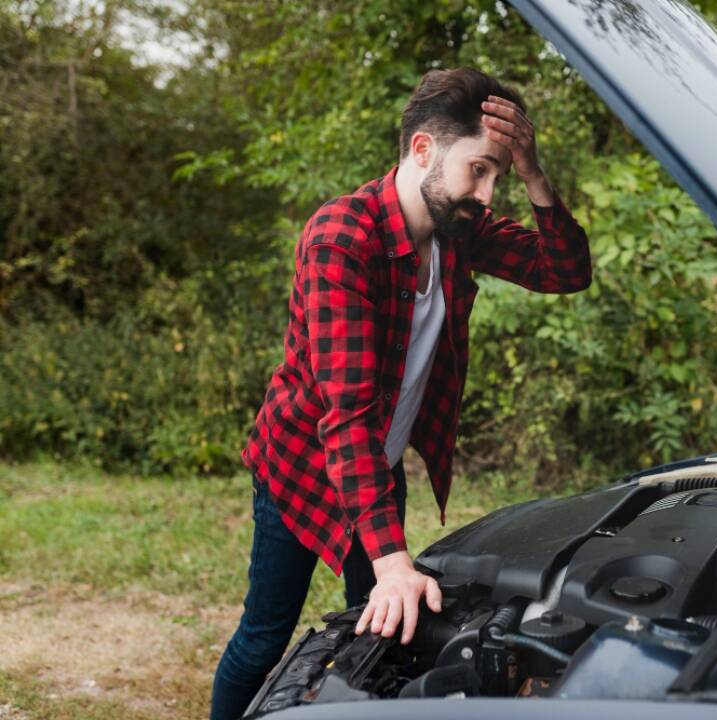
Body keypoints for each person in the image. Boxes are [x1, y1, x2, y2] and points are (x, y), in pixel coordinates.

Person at [209, 67, 592, 719]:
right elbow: (348, 417)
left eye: (499, 174)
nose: (489, 192)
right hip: (302, 468)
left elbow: (564, 271)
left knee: (382, 630)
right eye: (480, 170)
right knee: (265, 636)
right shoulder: (341, 239)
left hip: (375, 471)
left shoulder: (457, 230)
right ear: (423, 151)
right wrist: (392, 561)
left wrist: (533, 172)